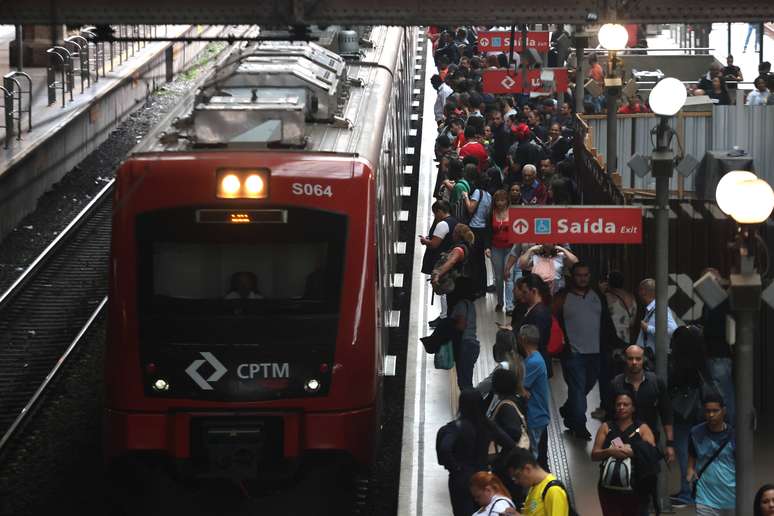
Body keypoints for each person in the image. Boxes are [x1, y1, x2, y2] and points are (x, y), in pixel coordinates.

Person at [554, 262, 615, 441]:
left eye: (586, 275)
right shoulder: (562, 297)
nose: (583, 278)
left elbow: (606, 322)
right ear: (573, 276)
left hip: (596, 353)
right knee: (578, 388)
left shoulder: (598, 296)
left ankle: (568, 409)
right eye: (579, 275)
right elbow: (553, 321)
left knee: (581, 389)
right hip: (573, 354)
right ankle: (579, 425)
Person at [591, 392, 658, 516]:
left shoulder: (642, 428)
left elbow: (652, 453)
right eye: (618, 404)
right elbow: (594, 454)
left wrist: (632, 451)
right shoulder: (606, 427)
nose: (621, 407)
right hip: (609, 486)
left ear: (633, 408)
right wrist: (610, 451)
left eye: (626, 404)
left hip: (636, 487)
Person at [668, 325, 713, 508]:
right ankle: (699, 491)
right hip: (699, 413)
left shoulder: (680, 363)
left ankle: (688, 492)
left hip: (683, 414)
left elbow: (673, 384)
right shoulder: (701, 361)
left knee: (684, 451)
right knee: (698, 451)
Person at [609, 345, 676, 465]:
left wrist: (669, 444)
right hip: (623, 443)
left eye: (638, 359)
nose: (634, 362)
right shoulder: (616, 384)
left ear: (643, 359)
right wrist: (617, 446)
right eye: (630, 359)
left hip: (648, 443)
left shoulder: (655, 383)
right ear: (625, 359)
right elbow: (609, 418)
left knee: (649, 479)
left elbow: (666, 414)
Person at [437, 389, 496, 516]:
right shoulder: (487, 425)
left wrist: (456, 468)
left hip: (461, 479)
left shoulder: (455, 427)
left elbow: (445, 448)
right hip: (483, 478)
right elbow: (509, 443)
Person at [594, 270, 637, 421]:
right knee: (622, 376)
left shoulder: (605, 297)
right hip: (626, 342)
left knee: (606, 376)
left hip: (609, 343)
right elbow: (632, 321)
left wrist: (601, 291)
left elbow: (601, 318)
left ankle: (606, 407)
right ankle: (621, 406)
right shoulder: (631, 297)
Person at [687, 392, 736, 516]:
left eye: (716, 411)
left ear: (723, 411)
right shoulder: (695, 433)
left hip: (731, 497)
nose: (711, 415)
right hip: (705, 497)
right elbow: (692, 456)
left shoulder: (734, 435)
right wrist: (690, 471)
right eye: (708, 411)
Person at [698, 269, 735, 423]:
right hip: (713, 354)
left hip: (719, 354)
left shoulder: (722, 301)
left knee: (724, 395)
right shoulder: (711, 303)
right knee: (717, 393)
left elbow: (716, 328)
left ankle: (730, 429)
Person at [420, 200, 458, 325]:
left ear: (440, 211)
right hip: (450, 257)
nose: (435, 217)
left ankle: (444, 317)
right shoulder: (454, 221)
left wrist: (425, 241)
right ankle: (445, 315)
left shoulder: (442, 224)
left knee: (443, 290)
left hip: (441, 261)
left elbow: (434, 244)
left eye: (435, 213)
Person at [503, 447, 571, 516]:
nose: (516, 481)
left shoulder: (554, 491)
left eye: (517, 476)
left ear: (527, 469)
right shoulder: (534, 486)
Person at [520, 324, 551, 470]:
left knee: (535, 460)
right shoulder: (535, 359)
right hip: (538, 415)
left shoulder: (534, 362)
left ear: (523, 339)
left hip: (535, 416)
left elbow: (519, 387)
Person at [463, 173, 493, 298]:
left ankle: (475, 288)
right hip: (482, 230)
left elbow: (470, 209)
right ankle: (482, 287)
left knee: (473, 261)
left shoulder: (477, 193)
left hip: (474, 228)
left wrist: (465, 197)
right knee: (480, 262)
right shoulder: (489, 196)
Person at [634, 278, 677, 359]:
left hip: (655, 359)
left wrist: (648, 328)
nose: (638, 294)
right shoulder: (651, 309)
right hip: (648, 357)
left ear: (643, 292)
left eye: (639, 290)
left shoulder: (659, 309)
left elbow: (673, 330)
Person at [520, 274, 553, 375]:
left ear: (534, 291)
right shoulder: (534, 309)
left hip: (536, 363)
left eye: (525, 292)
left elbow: (538, 340)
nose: (522, 295)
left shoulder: (539, 313)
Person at [488, 190, 513, 312]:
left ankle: (509, 306)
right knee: (498, 277)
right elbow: (487, 231)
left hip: (510, 248)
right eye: (497, 200)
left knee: (508, 275)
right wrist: (487, 247)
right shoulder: (491, 213)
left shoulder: (513, 212)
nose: (500, 203)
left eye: (502, 200)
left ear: (507, 200)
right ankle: (500, 301)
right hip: (496, 248)